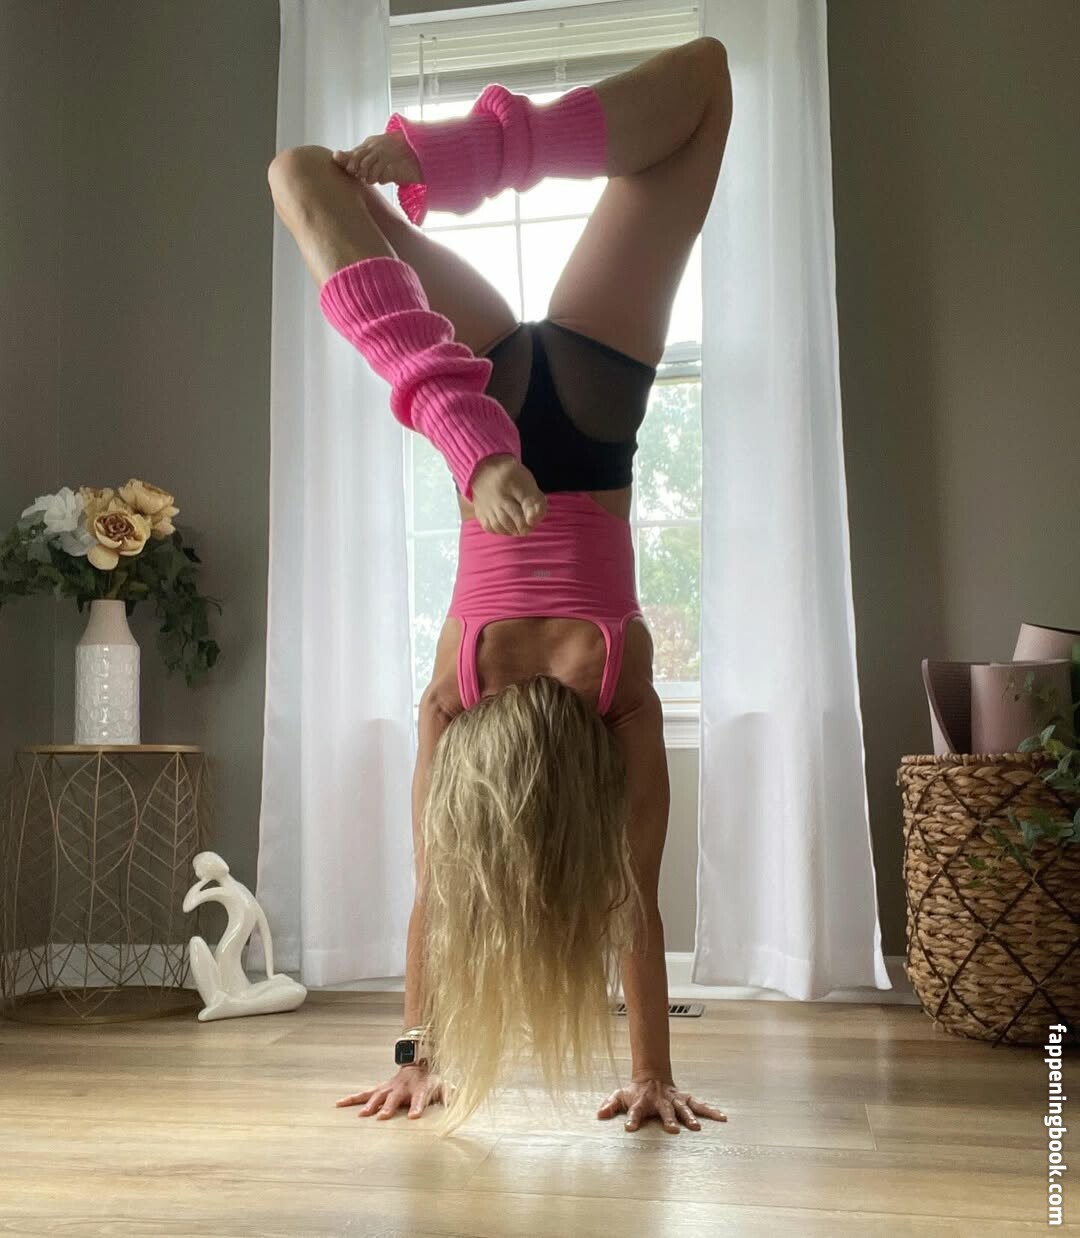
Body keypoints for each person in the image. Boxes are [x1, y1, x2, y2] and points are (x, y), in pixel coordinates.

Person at [268, 35, 733, 1138]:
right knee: (304, 175)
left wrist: (652, 1073)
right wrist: (415, 1057)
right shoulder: (459, 690)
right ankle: (456, 355)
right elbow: (438, 898)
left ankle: (462, 393)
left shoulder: (613, 684)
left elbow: (630, 906)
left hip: (586, 397)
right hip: (480, 375)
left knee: (706, 82)